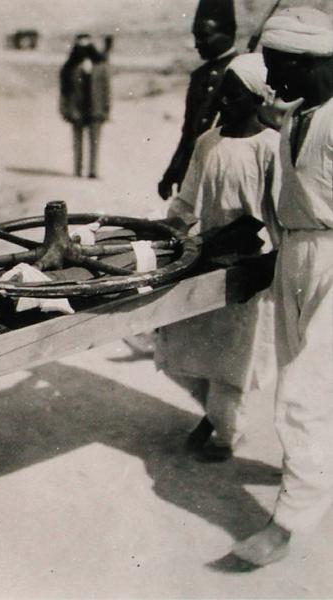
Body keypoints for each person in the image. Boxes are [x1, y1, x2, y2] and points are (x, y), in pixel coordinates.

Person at [231, 6, 333, 568]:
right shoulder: (301, 118)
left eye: (279, 67)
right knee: (305, 382)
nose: (273, 81)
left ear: (311, 61)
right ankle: (311, 476)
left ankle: (287, 523)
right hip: (296, 255)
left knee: (303, 392)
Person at [155, 53, 281, 462]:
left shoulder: (272, 148)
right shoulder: (208, 142)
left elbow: (279, 215)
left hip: (249, 266)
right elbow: (187, 200)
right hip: (206, 259)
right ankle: (213, 414)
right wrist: (172, 231)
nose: (224, 101)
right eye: (223, 92)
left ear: (259, 98)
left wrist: (274, 262)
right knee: (191, 345)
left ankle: (226, 433)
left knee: (235, 354)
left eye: (235, 94)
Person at [158, 0, 238, 199]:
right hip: (193, 171)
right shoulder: (199, 76)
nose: (196, 44)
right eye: (195, 37)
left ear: (228, 33)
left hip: (226, 175)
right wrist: (174, 170)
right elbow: (189, 132)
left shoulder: (243, 74)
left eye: (204, 36)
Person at [59, 33, 111, 178]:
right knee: (77, 142)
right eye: (80, 44)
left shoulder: (100, 66)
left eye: (86, 44)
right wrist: (64, 109)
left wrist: (107, 108)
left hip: (96, 109)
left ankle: (93, 171)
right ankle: (77, 170)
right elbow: (64, 91)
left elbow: (107, 89)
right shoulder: (69, 67)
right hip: (77, 109)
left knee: (94, 142)